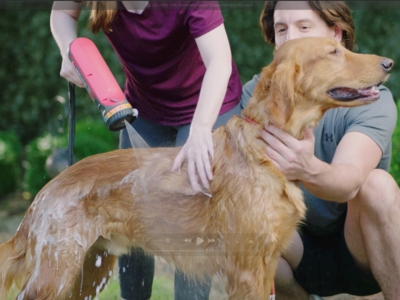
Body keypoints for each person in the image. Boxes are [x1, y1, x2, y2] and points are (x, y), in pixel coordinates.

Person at [50, 1, 242, 300]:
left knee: (189, 214)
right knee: (132, 208)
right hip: (146, 109)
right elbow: (62, 11)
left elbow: (219, 61)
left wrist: (201, 129)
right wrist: (68, 49)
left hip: (208, 107)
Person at [240, 1, 399, 300]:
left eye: (303, 27)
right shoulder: (256, 95)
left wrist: (306, 168)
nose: (290, 40)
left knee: (377, 185)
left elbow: (348, 183)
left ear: (335, 34)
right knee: (246, 213)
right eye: (281, 29)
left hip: (360, 254)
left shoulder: (372, 100)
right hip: (296, 254)